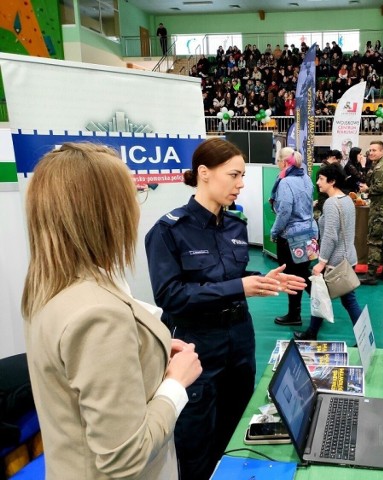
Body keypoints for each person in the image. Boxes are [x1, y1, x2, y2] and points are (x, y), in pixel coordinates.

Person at [22, 143, 202, 479]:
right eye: (131, 195)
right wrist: (176, 384)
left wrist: (153, 357)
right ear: (106, 212)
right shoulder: (96, 313)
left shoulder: (50, 288)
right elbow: (125, 457)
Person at [145, 138, 306, 479]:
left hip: (240, 340)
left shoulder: (235, 225)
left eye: (243, 175)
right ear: (204, 173)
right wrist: (239, 287)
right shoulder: (169, 231)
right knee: (196, 443)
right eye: (234, 175)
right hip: (197, 346)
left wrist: (262, 281)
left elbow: (231, 277)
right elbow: (171, 296)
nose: (241, 184)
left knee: (237, 430)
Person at [294, 163, 363, 340]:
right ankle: (312, 332)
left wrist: (322, 262)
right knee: (324, 295)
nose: (318, 182)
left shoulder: (331, 204)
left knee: (339, 299)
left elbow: (331, 236)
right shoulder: (347, 199)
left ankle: (364, 337)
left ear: (332, 181)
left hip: (335, 262)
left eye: (321, 179)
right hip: (348, 258)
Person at [270, 147, 318, 326]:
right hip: (309, 232)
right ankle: (321, 302)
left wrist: (274, 232)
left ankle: (294, 314)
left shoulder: (285, 183)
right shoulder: (305, 178)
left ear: (283, 162)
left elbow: (284, 212)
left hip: (291, 236)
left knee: (292, 276)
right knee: (303, 272)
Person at [359, 141, 383, 285]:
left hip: (380, 210)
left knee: (374, 241)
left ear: (382, 151)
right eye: (370, 150)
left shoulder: (380, 167)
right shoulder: (382, 165)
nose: (371, 153)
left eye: (374, 150)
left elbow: (379, 187)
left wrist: (366, 189)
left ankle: (371, 274)